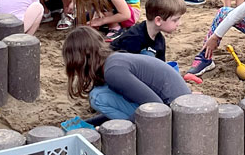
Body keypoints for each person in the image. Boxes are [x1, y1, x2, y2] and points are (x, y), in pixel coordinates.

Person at [63, 27, 191, 121]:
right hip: (179, 108)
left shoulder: (113, 71)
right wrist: (89, 124)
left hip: (175, 116)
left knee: (97, 97)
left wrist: (123, 131)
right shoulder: (115, 61)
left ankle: (135, 132)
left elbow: (154, 106)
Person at [110, 0, 186, 61]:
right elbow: (120, 67)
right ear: (158, 20)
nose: (179, 23)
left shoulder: (160, 40)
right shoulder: (133, 39)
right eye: (175, 20)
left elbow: (161, 66)